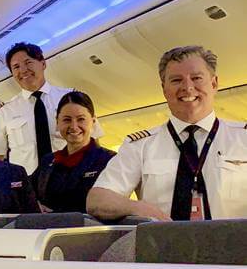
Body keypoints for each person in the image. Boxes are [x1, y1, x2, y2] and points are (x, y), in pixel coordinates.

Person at [88, 46, 247, 221]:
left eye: (196, 78)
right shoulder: (141, 145)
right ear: (164, 89)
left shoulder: (243, 138)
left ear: (214, 83)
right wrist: (140, 208)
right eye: (176, 80)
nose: (187, 87)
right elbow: (97, 199)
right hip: (164, 246)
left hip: (234, 246)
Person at [0, 42, 101, 176]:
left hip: (70, 179)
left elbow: (94, 141)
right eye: (16, 67)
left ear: (43, 63)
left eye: (28, 62)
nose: (23, 70)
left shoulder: (72, 99)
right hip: (27, 186)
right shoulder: (4, 111)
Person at [33, 91, 115, 213]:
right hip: (48, 230)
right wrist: (36, 205)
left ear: (93, 121)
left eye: (81, 119)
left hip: (89, 230)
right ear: (57, 122)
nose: (74, 126)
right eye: (67, 120)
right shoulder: (48, 161)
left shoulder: (109, 160)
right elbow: (27, 193)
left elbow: (113, 206)